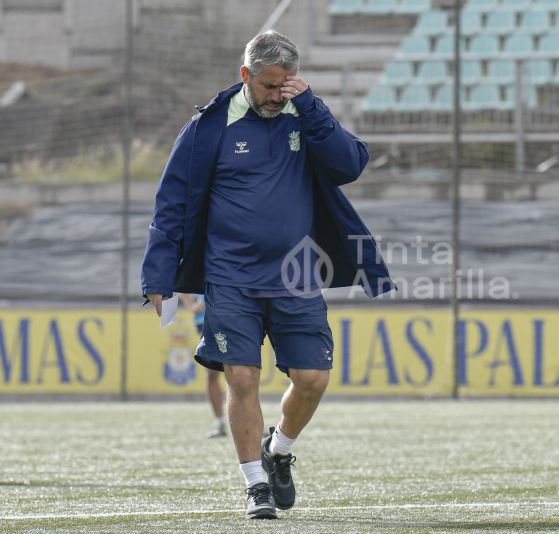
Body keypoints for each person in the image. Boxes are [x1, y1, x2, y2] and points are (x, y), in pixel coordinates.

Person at [141, 31, 393, 520]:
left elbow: (350, 164)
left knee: (313, 378)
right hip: (229, 277)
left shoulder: (305, 114)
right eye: (269, 86)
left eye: (285, 86)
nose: (277, 96)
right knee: (241, 376)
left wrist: (313, 106)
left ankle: (278, 451)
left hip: (297, 277)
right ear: (246, 76)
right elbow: (170, 203)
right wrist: (157, 274)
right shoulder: (209, 127)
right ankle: (255, 484)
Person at [179, 293, 226, 438]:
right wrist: (191, 304)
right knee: (212, 373)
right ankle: (220, 423)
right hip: (205, 318)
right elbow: (182, 275)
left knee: (239, 371)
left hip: (233, 312)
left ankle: (250, 420)